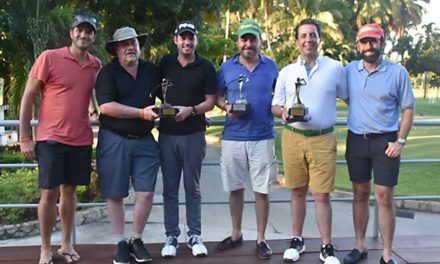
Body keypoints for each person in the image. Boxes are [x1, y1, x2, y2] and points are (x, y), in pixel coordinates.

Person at [19, 15, 101, 264]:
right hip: (50, 137)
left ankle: (66, 244)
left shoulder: (95, 64)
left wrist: (95, 112)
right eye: (80, 30)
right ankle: (45, 248)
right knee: (49, 192)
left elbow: (89, 93)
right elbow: (28, 97)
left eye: (89, 32)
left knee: (70, 191)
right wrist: (24, 136)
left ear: (93, 36)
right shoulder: (49, 58)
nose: (84, 35)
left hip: (81, 138)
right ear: (71, 33)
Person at [271, 18, 347, 264]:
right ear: (297, 40)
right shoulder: (287, 71)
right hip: (293, 138)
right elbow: (275, 105)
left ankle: (326, 246)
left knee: (322, 195)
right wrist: (282, 113)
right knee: (297, 192)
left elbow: (350, 98)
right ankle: (297, 239)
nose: (308, 39)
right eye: (303, 35)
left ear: (319, 38)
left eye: (312, 35)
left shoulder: (335, 68)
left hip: (323, 139)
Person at [343, 23, 415, 264]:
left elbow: (407, 108)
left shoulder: (397, 72)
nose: (368, 46)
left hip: (386, 142)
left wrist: (400, 141)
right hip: (356, 140)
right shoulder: (349, 70)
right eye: (364, 42)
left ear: (382, 43)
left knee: (384, 196)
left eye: (373, 41)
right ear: (358, 45)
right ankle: (360, 246)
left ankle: (386, 255)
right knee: (360, 193)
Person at [95, 27, 161, 264]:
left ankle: (136, 238)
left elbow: (170, 95)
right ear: (116, 49)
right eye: (124, 44)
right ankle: (120, 242)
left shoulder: (152, 71)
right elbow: (106, 107)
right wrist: (141, 113)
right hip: (114, 139)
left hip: (144, 140)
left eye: (133, 42)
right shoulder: (107, 73)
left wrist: (189, 110)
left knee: (146, 192)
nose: (130, 47)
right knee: (115, 193)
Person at [214, 20, 278, 259]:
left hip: (263, 136)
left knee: (262, 190)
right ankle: (236, 234)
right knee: (235, 189)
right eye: (244, 39)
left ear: (260, 41)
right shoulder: (226, 67)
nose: (248, 44)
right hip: (233, 137)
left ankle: (261, 238)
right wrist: (227, 106)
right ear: (238, 42)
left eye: (253, 39)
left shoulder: (271, 66)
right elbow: (217, 96)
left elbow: (280, 95)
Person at [158, 21, 217, 258]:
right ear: (176, 40)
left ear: (196, 40)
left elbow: (211, 100)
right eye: (182, 37)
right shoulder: (165, 64)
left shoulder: (206, 66)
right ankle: (171, 235)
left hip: (193, 134)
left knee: (192, 189)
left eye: (190, 37)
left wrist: (191, 110)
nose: (186, 42)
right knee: (170, 189)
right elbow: (155, 95)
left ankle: (194, 235)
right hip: (167, 135)